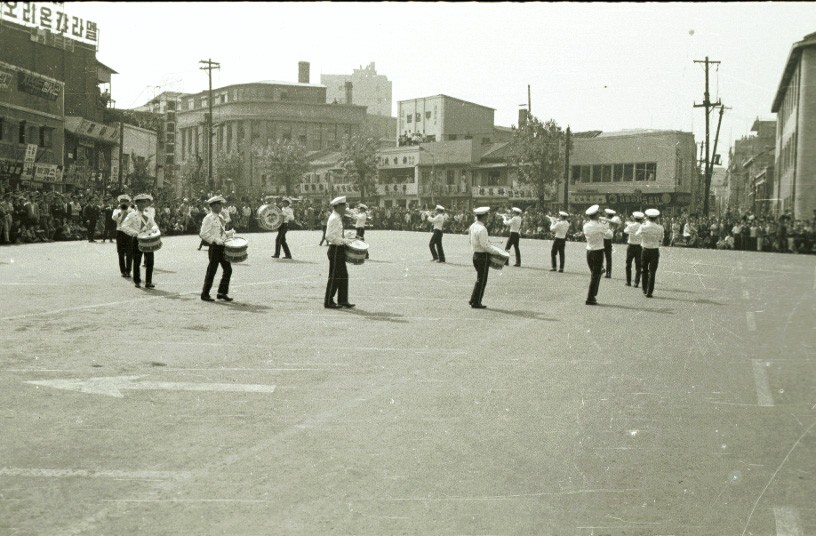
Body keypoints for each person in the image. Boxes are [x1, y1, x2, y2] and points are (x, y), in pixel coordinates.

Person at [199, 195, 235, 302]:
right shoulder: (208, 218)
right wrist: (214, 240)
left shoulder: (220, 217)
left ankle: (222, 292)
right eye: (219, 205)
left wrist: (228, 234)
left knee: (228, 270)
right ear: (213, 206)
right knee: (212, 271)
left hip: (222, 246)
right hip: (215, 247)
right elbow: (203, 233)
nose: (221, 207)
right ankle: (205, 294)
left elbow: (221, 232)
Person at [469, 206, 505, 309]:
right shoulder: (482, 229)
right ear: (484, 217)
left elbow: (471, 241)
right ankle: (476, 302)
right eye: (487, 215)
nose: (488, 217)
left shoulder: (473, 226)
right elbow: (485, 246)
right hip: (482, 256)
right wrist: (498, 252)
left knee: (479, 279)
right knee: (482, 280)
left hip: (475, 254)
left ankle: (473, 300)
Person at [121, 193, 158, 289]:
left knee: (150, 261)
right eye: (140, 203)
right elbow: (124, 226)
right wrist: (134, 233)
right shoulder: (132, 215)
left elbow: (154, 225)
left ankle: (148, 282)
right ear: (136, 204)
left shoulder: (148, 215)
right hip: (137, 240)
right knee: (137, 261)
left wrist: (154, 229)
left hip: (148, 240)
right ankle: (137, 281)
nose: (142, 205)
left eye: (144, 203)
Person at [324, 196, 355, 309]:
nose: (345, 208)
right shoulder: (334, 218)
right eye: (344, 206)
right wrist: (343, 240)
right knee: (335, 276)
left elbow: (336, 234)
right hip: (335, 249)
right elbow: (329, 236)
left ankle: (342, 300)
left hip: (339, 248)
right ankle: (328, 301)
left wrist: (346, 236)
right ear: (338, 207)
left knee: (343, 275)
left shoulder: (337, 217)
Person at [637, 208, 665, 298]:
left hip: (645, 249)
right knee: (652, 272)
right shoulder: (660, 228)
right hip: (655, 250)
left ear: (647, 217)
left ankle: (644, 289)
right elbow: (661, 239)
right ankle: (650, 291)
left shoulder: (643, 226)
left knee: (644, 270)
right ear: (656, 218)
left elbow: (637, 234)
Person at [583, 204, 607, 305]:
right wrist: (606, 225)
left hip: (589, 251)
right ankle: (590, 297)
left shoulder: (586, 225)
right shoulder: (600, 226)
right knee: (595, 275)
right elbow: (610, 234)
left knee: (595, 274)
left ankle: (593, 295)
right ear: (596, 215)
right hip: (598, 251)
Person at [112, 195, 133, 278]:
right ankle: (123, 271)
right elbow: (114, 218)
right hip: (120, 232)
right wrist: (121, 211)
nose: (124, 203)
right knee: (120, 252)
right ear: (120, 202)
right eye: (122, 201)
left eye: (125, 202)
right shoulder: (116, 210)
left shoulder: (132, 211)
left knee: (129, 253)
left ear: (128, 203)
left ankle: (128, 271)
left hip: (128, 233)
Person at [623, 211, 644, 288]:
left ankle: (628, 281)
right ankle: (636, 282)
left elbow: (625, 231)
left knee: (628, 264)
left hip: (631, 246)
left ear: (634, 218)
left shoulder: (631, 226)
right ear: (641, 219)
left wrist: (630, 224)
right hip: (639, 247)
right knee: (638, 265)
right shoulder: (642, 226)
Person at [602, 208, 620, 278]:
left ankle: (602, 268)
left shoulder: (610, 221)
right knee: (608, 258)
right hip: (608, 241)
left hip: (603, 239)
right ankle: (608, 273)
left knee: (600, 256)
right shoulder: (611, 222)